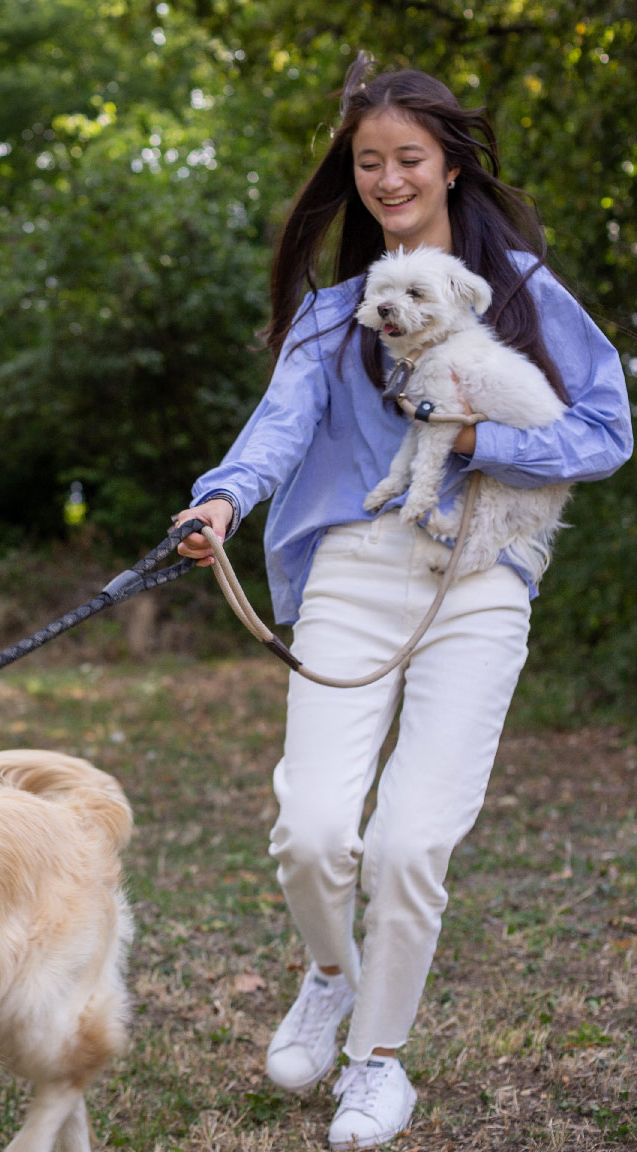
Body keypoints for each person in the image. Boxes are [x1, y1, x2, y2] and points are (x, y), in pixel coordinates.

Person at [172, 57, 633, 1150]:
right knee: (317, 829)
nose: (387, 179)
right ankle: (331, 976)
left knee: (410, 844)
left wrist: (483, 441)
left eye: (408, 159)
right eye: (368, 162)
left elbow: (609, 429)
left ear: (451, 165)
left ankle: (379, 1064)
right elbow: (278, 427)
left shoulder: (515, 290)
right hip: (355, 569)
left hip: (480, 579)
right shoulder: (338, 314)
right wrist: (221, 504)